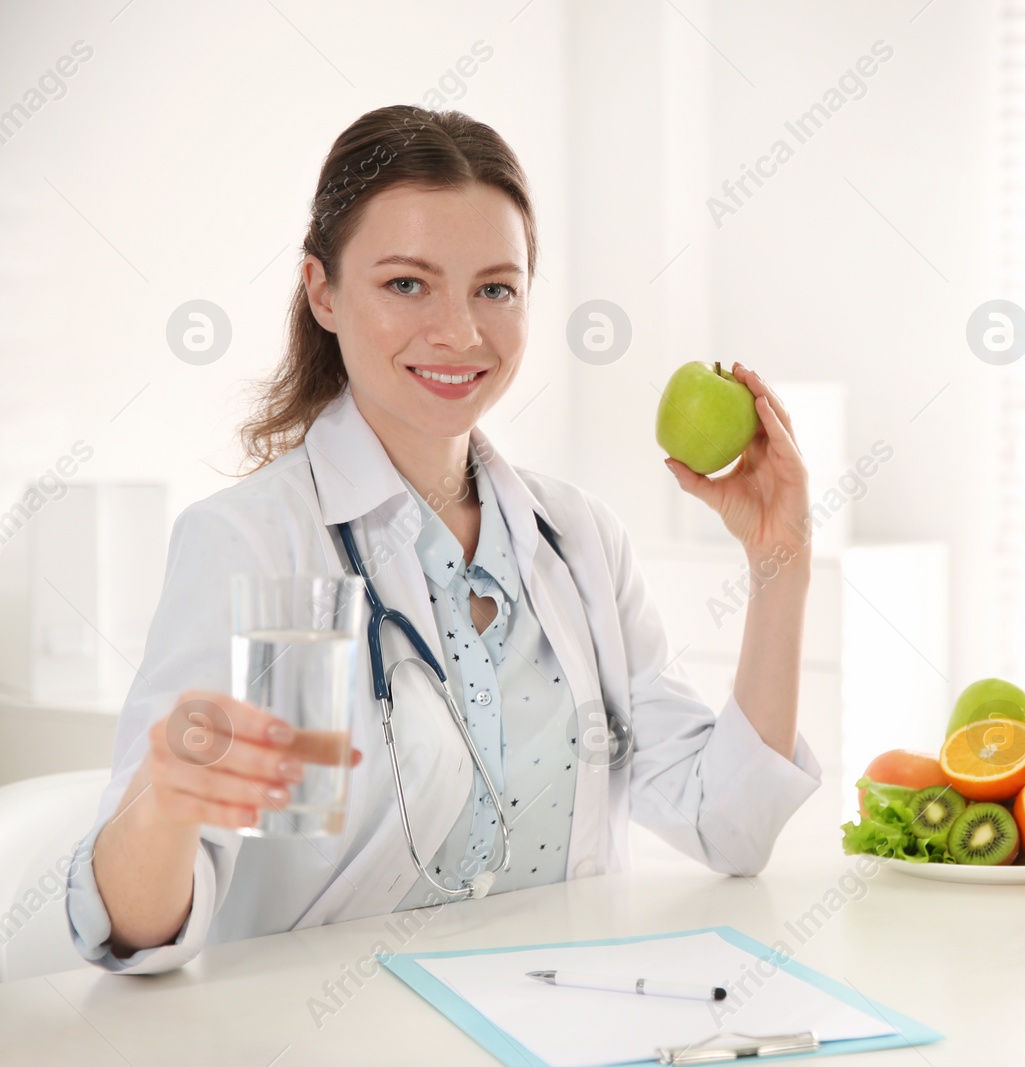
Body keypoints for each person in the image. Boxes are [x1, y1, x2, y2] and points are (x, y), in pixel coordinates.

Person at [64, 105, 821, 975]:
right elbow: (129, 931)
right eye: (407, 284)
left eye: (495, 288)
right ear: (323, 292)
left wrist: (780, 563)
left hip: (561, 1016)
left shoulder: (577, 538)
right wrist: (167, 799)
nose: (460, 332)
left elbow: (727, 823)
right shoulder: (248, 543)